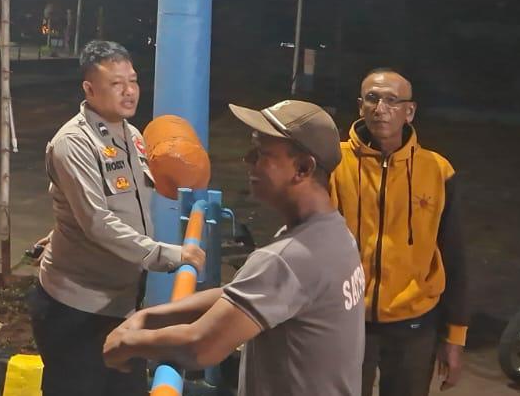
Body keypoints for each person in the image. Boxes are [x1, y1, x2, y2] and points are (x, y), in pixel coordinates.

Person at [103, 99, 365, 396]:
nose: (247, 159)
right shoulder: (334, 233)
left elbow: (201, 346)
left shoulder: (288, 258)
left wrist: (125, 343)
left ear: (303, 168)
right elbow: (242, 291)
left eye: (261, 153)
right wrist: (150, 317)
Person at [30, 41, 205, 396]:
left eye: (133, 81)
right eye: (116, 83)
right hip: (77, 310)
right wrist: (171, 255)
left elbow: (117, 206)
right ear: (90, 89)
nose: (129, 91)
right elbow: (98, 222)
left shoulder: (132, 135)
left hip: (122, 304)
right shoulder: (73, 144)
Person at [329, 69, 468, 395]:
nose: (381, 109)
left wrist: (455, 337)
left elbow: (454, 257)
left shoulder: (437, 171)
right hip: (347, 318)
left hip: (415, 322)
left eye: (392, 101)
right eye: (372, 99)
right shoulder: (333, 163)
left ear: (410, 111)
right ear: (360, 106)